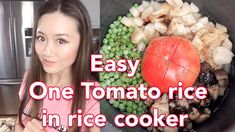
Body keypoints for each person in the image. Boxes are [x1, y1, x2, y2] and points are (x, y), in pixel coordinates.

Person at [14, 0, 100, 131]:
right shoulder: (30, 76)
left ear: (82, 44)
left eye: (61, 40)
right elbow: (19, 123)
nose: (46, 52)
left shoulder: (93, 96)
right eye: (41, 38)